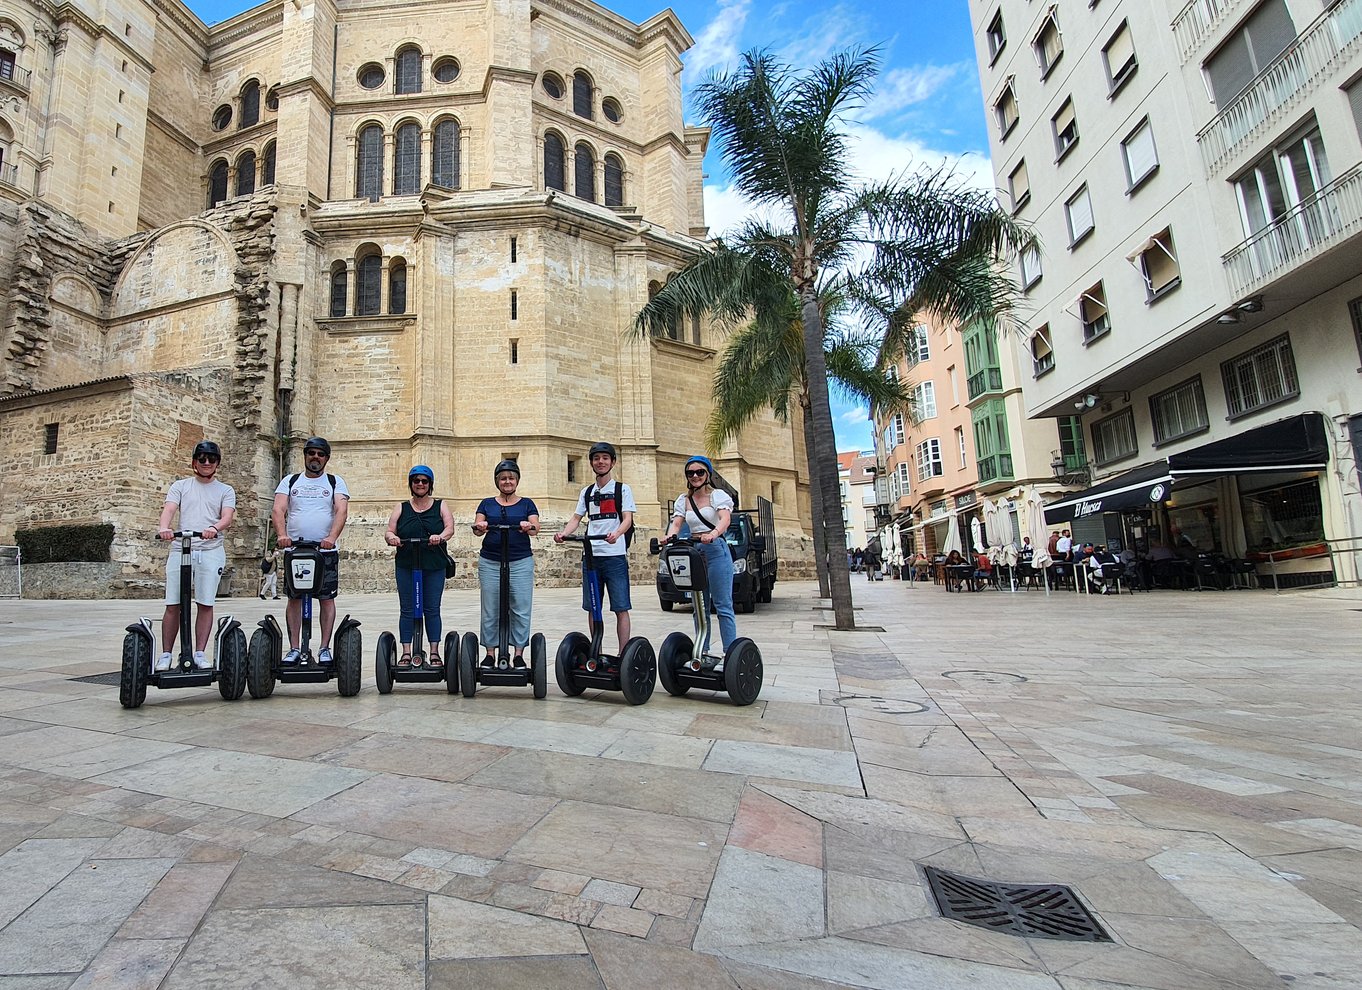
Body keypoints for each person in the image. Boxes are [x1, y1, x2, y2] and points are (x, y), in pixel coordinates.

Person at [156, 440, 237, 671]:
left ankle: (200, 652)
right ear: (194, 462)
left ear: (217, 463)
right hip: (181, 549)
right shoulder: (180, 486)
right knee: (173, 604)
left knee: (205, 602)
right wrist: (164, 528)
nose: (207, 463)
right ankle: (166, 654)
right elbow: (169, 509)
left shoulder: (225, 490)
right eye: (202, 459)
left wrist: (215, 528)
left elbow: (227, 517)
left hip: (210, 551)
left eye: (211, 459)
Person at [272, 437, 349, 665]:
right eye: (311, 453)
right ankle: (295, 647)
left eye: (320, 454)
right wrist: (282, 535)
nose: (315, 457)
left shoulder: (335, 483)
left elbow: (341, 511)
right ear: (305, 455)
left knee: (326, 599)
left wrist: (331, 538)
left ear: (326, 458)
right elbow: (278, 509)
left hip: (324, 552)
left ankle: (324, 648)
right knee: (294, 598)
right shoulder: (290, 481)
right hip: (295, 551)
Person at [555, 441, 635, 652]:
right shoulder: (587, 492)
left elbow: (627, 519)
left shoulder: (622, 489)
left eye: (605, 458)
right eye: (596, 458)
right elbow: (576, 518)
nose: (601, 462)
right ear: (591, 462)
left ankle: (623, 653)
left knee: (621, 607)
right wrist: (564, 533)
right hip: (591, 557)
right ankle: (596, 650)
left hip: (614, 556)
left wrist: (616, 534)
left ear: (613, 462)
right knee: (593, 607)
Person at [661, 455, 736, 655]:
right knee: (699, 606)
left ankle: (730, 653)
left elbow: (725, 519)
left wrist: (713, 534)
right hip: (694, 552)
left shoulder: (717, 496)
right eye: (690, 472)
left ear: (707, 474)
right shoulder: (683, 500)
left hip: (716, 550)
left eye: (699, 472)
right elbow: (677, 523)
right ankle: (702, 651)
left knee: (722, 605)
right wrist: (669, 537)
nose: (695, 476)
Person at [384, 464, 454, 667]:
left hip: (433, 564)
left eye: (424, 481)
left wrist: (439, 537)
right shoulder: (402, 507)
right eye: (416, 481)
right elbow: (389, 530)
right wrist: (392, 538)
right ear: (411, 484)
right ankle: (407, 652)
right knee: (407, 609)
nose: (420, 484)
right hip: (406, 563)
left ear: (430, 484)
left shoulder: (440, 505)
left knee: (432, 609)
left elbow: (449, 527)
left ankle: (434, 652)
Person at [472, 460, 540, 668]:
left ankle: (518, 653)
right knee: (491, 608)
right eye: (503, 478)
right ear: (497, 481)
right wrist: (481, 526)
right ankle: (490, 653)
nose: (507, 481)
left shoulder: (527, 503)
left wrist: (529, 526)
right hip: (491, 560)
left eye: (511, 478)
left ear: (517, 480)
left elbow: (536, 527)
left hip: (520, 561)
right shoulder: (486, 503)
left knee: (520, 606)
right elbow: (476, 527)